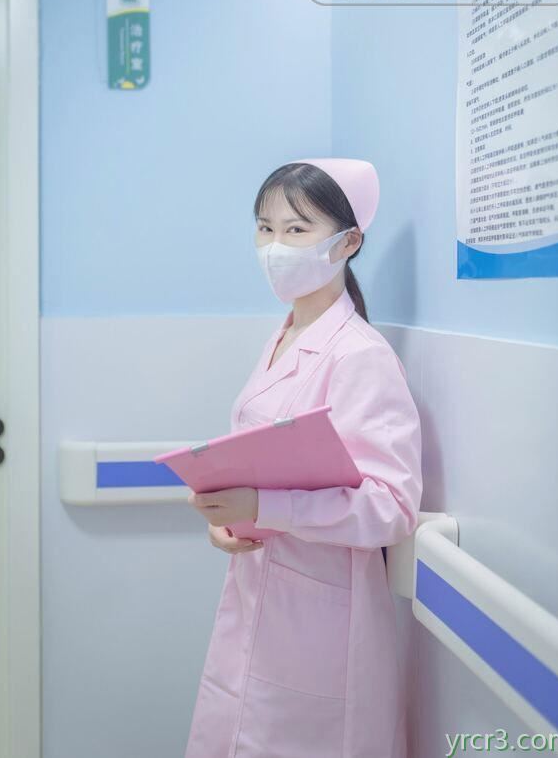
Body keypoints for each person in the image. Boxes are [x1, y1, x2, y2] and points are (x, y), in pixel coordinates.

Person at [184, 158, 423, 758]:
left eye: (296, 230)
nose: (275, 247)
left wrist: (263, 506)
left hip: (324, 623)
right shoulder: (285, 334)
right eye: (265, 228)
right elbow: (266, 467)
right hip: (258, 596)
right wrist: (231, 520)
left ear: (349, 242)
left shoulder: (361, 356)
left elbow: (391, 508)